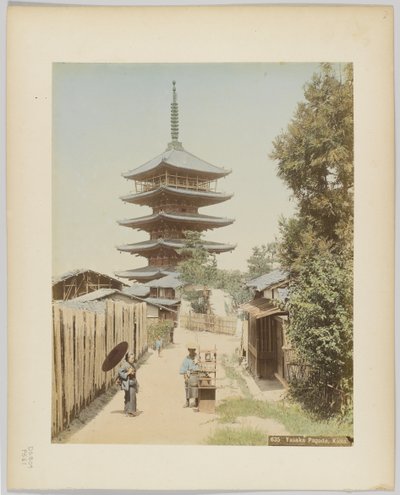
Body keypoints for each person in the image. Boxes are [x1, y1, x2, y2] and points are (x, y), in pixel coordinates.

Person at [118, 351, 139, 417]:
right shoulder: (124, 365)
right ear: (128, 358)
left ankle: (127, 411)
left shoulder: (133, 364)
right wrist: (128, 373)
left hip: (132, 382)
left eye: (133, 358)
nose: (133, 359)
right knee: (129, 397)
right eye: (132, 358)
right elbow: (120, 373)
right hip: (127, 383)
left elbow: (134, 373)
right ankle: (130, 412)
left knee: (131, 396)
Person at [179, 343, 199, 408]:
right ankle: (187, 402)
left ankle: (196, 401)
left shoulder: (198, 357)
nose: (192, 351)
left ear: (195, 350)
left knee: (197, 386)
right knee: (187, 384)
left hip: (197, 375)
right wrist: (185, 375)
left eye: (193, 350)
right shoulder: (187, 358)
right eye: (190, 350)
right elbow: (183, 367)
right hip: (190, 375)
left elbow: (201, 366)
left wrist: (197, 361)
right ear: (188, 350)